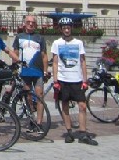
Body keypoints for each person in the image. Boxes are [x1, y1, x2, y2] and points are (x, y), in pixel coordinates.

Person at [51, 17, 98, 145]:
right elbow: (55, 62)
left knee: (82, 106)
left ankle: (83, 133)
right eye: (64, 28)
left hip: (77, 79)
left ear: (71, 28)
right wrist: (55, 80)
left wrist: (85, 80)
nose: (66, 30)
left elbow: (83, 61)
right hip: (63, 79)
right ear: (61, 29)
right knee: (65, 105)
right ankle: (69, 132)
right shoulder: (57, 43)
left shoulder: (78, 43)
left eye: (68, 28)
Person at [12, 14, 49, 132]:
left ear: (36, 25)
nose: (31, 24)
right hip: (24, 72)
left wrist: (45, 71)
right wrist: (14, 69)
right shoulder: (19, 37)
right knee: (27, 97)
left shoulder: (40, 38)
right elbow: (15, 53)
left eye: (33, 22)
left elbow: (44, 56)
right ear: (24, 24)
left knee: (40, 96)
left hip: (37, 71)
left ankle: (39, 122)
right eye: (28, 22)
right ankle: (31, 120)